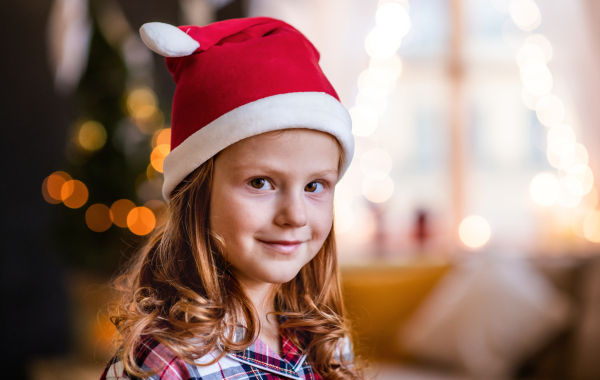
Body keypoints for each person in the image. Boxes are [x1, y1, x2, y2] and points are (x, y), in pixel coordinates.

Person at [100, 17, 362, 380]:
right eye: (260, 182)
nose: (296, 215)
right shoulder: (166, 364)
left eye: (315, 186)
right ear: (196, 193)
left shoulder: (326, 342)